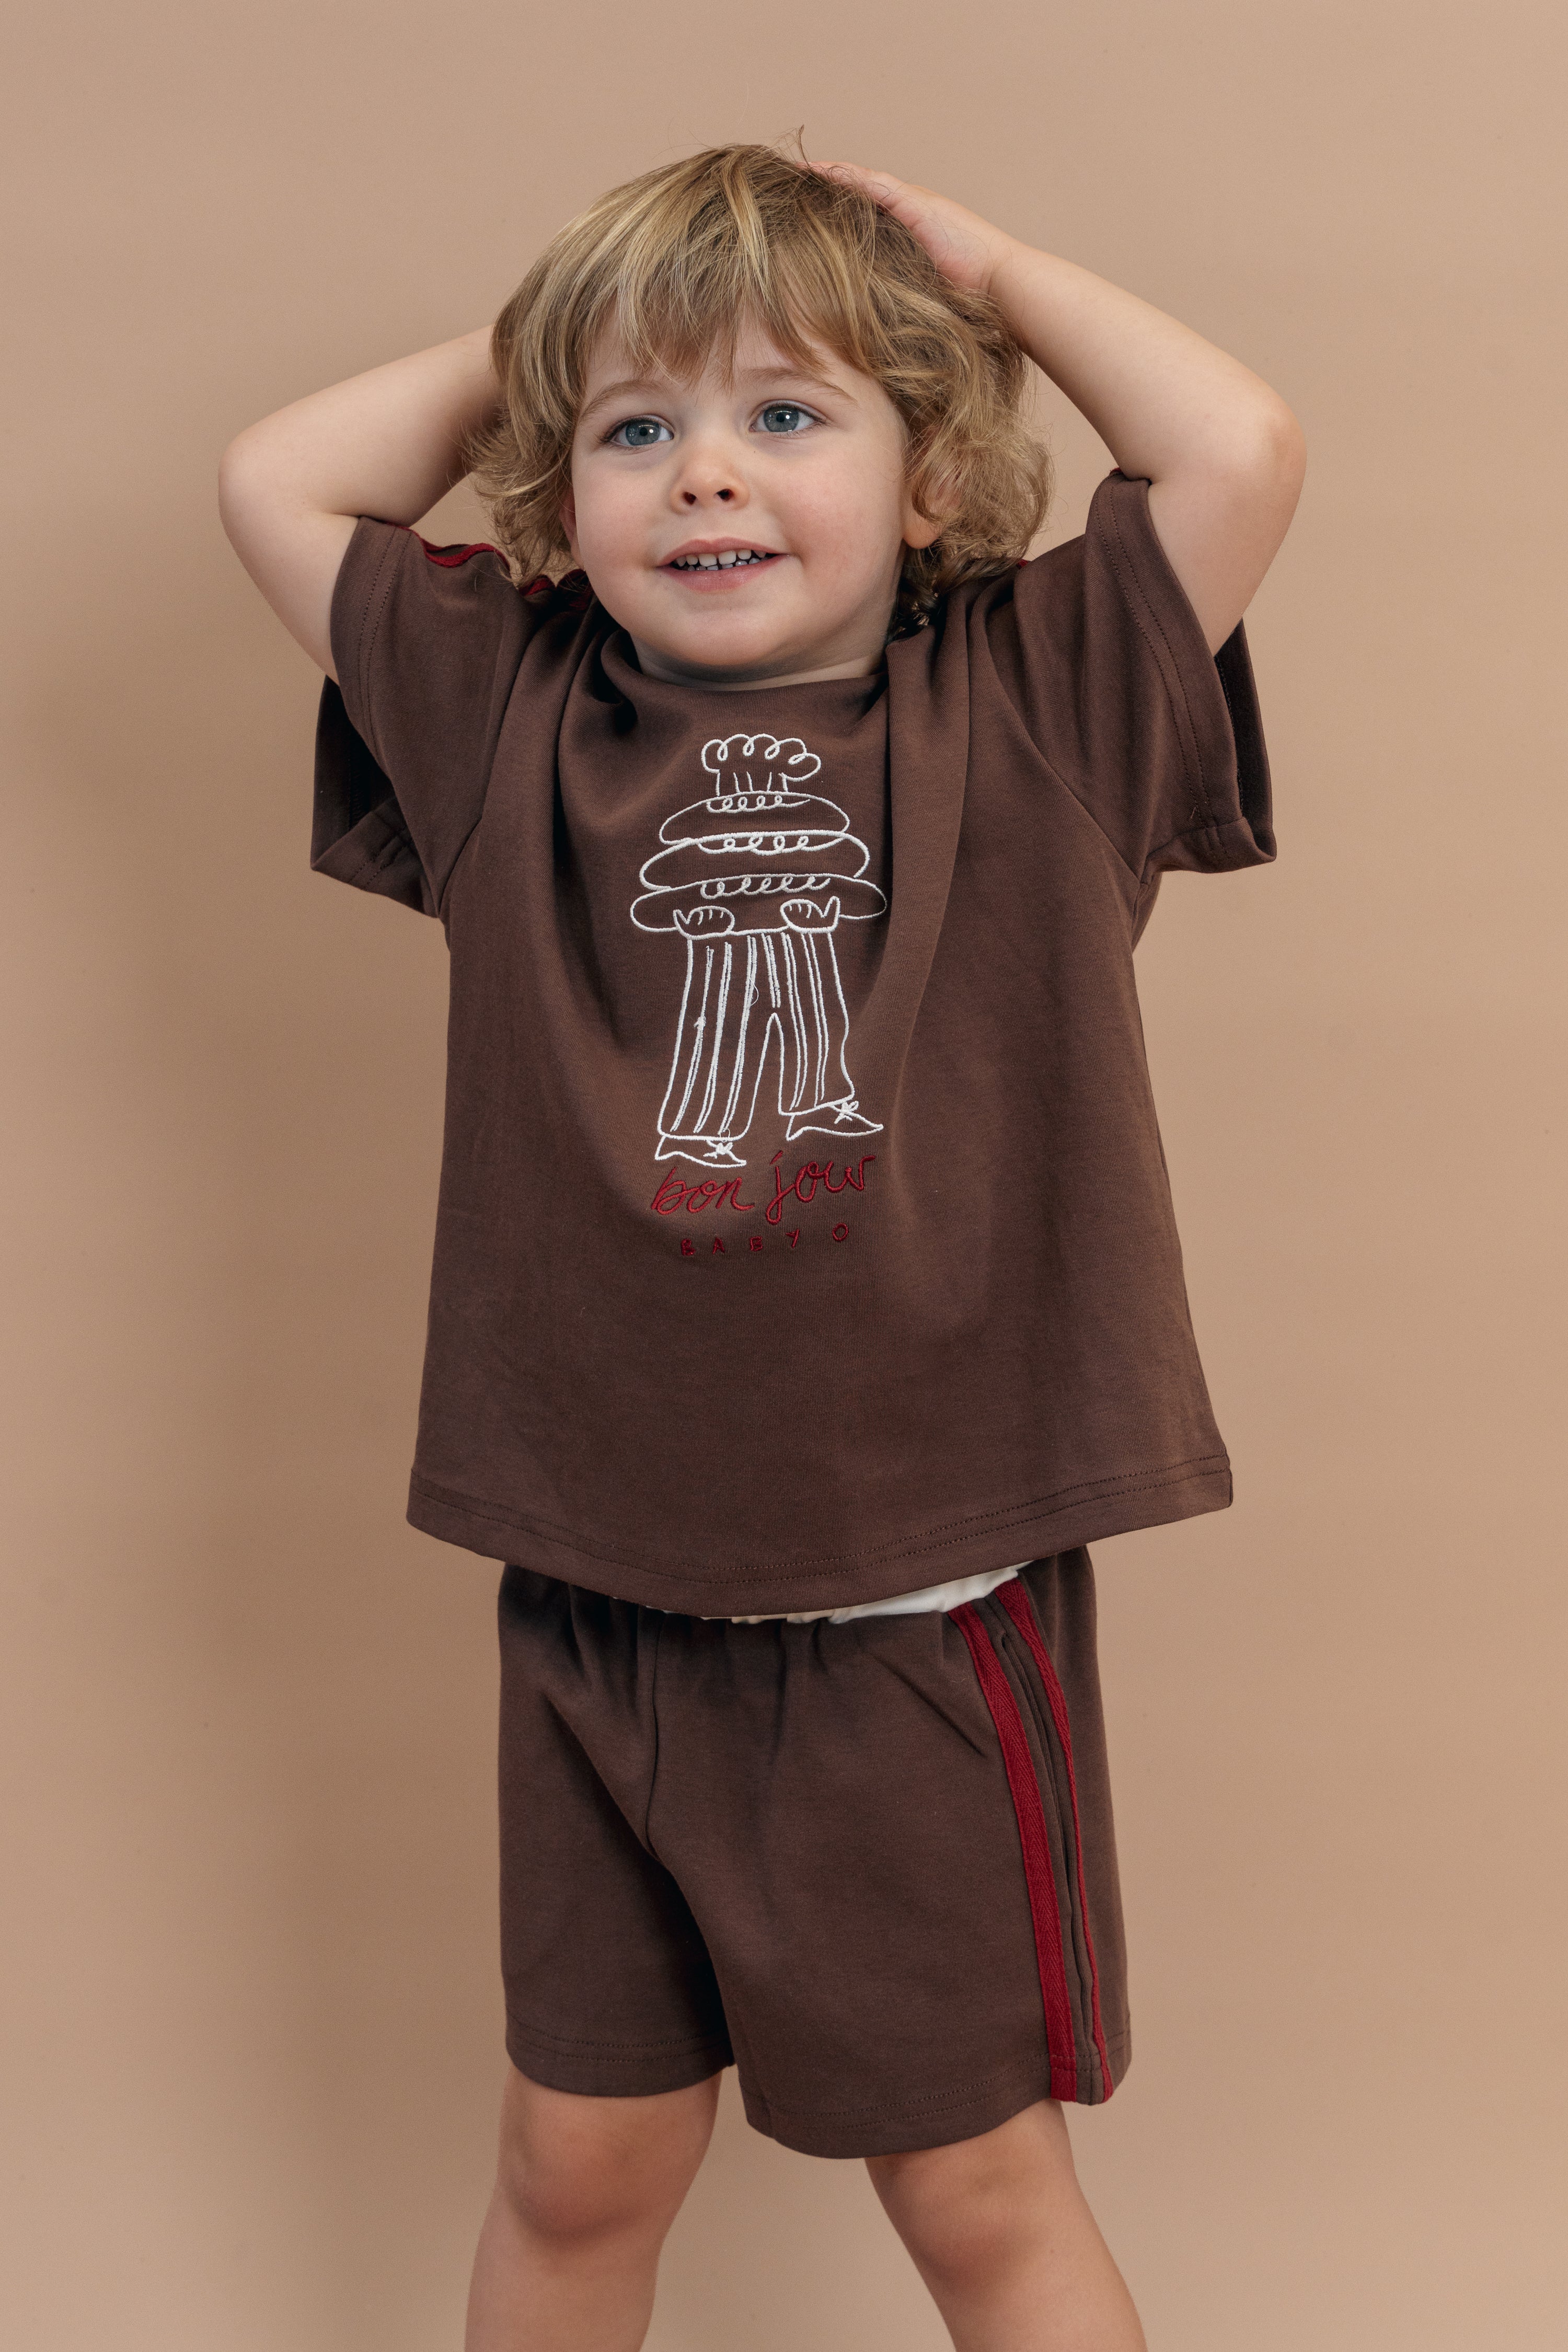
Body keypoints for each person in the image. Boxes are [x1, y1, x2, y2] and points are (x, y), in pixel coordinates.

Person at [219, 143, 1304, 2352]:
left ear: (935, 476)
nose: (706, 471)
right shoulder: (510, 710)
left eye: (787, 412)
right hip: (598, 1600)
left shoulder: (1040, 697)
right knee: (573, 2164)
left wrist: (980, 265)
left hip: (912, 1612)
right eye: (640, 431)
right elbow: (276, 480)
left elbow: (1238, 446)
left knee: (974, 2188)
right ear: (562, 489)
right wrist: (570, 334)